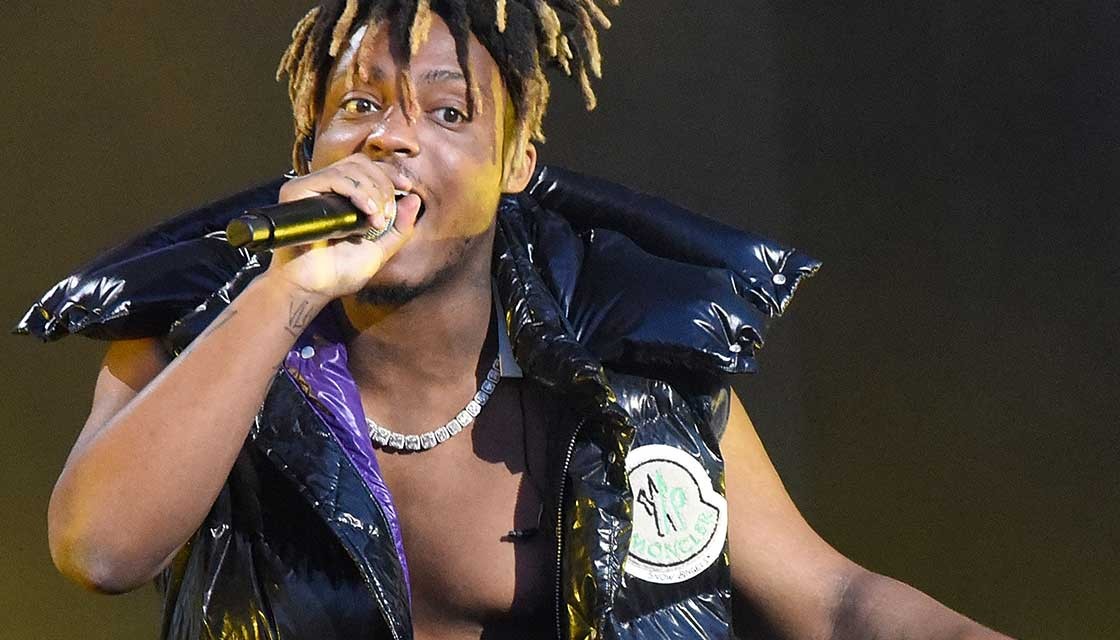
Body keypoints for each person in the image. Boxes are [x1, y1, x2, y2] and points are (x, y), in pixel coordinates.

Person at [20, 1, 1012, 639]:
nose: (393, 137)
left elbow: (832, 601)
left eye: (449, 114)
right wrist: (287, 290)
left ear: (517, 163)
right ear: (309, 148)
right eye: (358, 106)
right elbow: (101, 551)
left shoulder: (633, 367)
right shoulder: (197, 334)